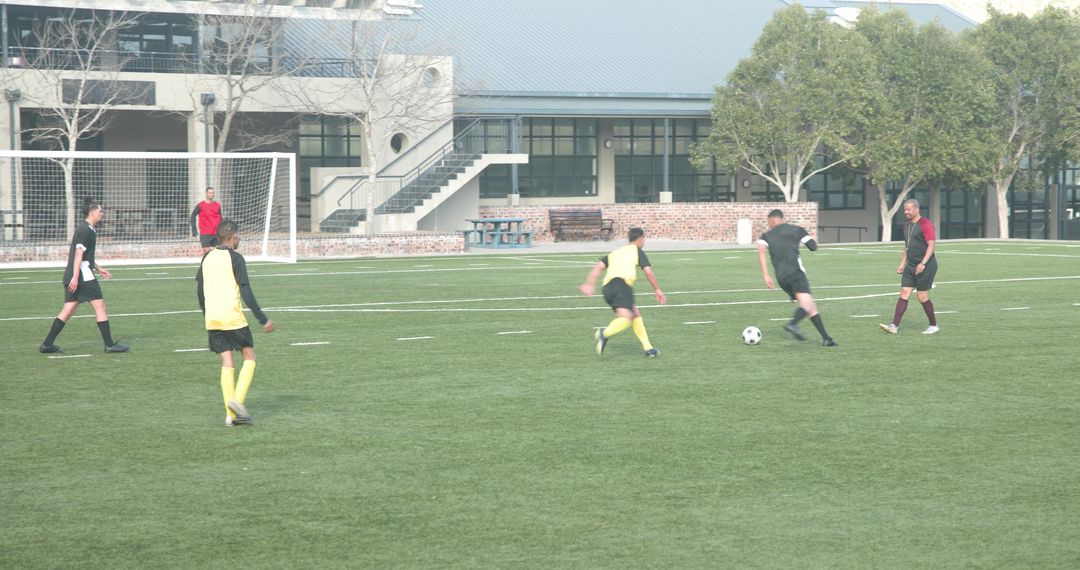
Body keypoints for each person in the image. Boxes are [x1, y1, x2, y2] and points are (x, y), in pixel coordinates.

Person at [196, 219, 275, 427]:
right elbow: (246, 292)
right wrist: (262, 318)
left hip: (212, 319)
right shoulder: (236, 258)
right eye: (238, 236)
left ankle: (230, 417)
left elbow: (199, 291)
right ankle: (237, 404)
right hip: (232, 317)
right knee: (250, 357)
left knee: (227, 362)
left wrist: (207, 313)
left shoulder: (207, 257)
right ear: (234, 237)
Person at [39, 198, 129, 354]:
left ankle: (47, 345)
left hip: (78, 274)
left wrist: (99, 268)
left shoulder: (88, 229)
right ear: (93, 212)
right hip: (82, 277)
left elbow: (85, 256)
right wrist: (75, 277)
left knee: (68, 309)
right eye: (100, 211)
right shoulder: (85, 229)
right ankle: (109, 345)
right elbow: (78, 254)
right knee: (100, 306)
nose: (102, 213)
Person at [578, 227, 667, 357]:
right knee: (626, 318)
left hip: (607, 288)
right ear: (640, 239)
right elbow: (649, 273)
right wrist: (657, 290)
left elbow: (598, 266)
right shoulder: (637, 251)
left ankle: (648, 348)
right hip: (621, 285)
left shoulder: (616, 252)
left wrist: (590, 284)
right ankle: (604, 334)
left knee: (635, 313)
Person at [757, 209, 837, 347]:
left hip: (781, 278)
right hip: (796, 273)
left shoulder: (766, 235)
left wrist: (765, 274)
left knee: (810, 305)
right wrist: (804, 238)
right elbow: (813, 246)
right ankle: (793, 324)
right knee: (806, 304)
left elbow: (761, 251)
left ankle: (826, 338)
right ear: (782, 218)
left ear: (771, 220)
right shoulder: (796, 230)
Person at [880, 198, 939, 335]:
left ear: (916, 209)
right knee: (904, 293)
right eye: (905, 210)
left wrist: (923, 263)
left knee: (922, 296)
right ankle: (894, 326)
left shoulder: (925, 224)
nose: (906, 212)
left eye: (908, 209)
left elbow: (931, 244)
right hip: (911, 265)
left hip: (927, 265)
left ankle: (933, 325)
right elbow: (907, 247)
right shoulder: (906, 226)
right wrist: (902, 263)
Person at [190, 187, 222, 254]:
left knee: (219, 253)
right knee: (206, 254)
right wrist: (194, 229)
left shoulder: (217, 205)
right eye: (210, 193)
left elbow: (220, 218)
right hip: (205, 234)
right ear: (206, 194)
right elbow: (192, 216)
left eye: (213, 193)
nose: (212, 194)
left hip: (216, 233)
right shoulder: (200, 205)